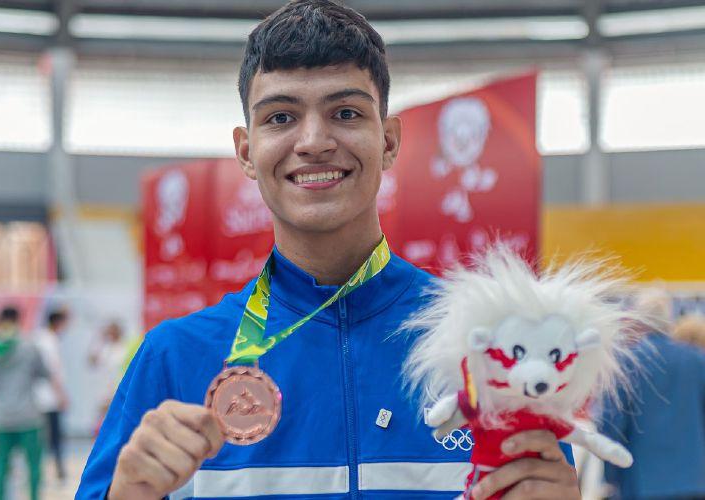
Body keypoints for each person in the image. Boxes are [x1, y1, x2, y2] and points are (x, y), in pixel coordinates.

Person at [76, 1, 580, 498]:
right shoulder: (175, 356)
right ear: (247, 152)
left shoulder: (488, 346)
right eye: (280, 117)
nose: (314, 141)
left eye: (345, 113)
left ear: (388, 141)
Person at [600, 288, 705, 499]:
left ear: (639, 321)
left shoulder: (628, 363)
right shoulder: (696, 360)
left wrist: (610, 474)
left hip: (642, 483)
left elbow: (612, 423)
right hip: (694, 482)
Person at [0, 306, 52, 500]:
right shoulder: (30, 347)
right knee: (33, 465)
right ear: (19, 320)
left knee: (1, 466)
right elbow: (44, 373)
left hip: (3, 417)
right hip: (29, 416)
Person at [34, 307, 70, 484]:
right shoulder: (49, 341)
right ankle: (57, 470)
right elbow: (52, 372)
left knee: (43, 437)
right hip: (49, 398)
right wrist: (61, 395)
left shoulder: (40, 338)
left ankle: (45, 470)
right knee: (53, 436)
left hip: (39, 396)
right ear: (58, 322)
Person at [88, 320, 129, 431]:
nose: (110, 334)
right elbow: (92, 361)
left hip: (118, 386)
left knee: (117, 416)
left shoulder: (123, 348)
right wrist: (99, 340)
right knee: (103, 416)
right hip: (103, 387)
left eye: (112, 331)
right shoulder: (105, 347)